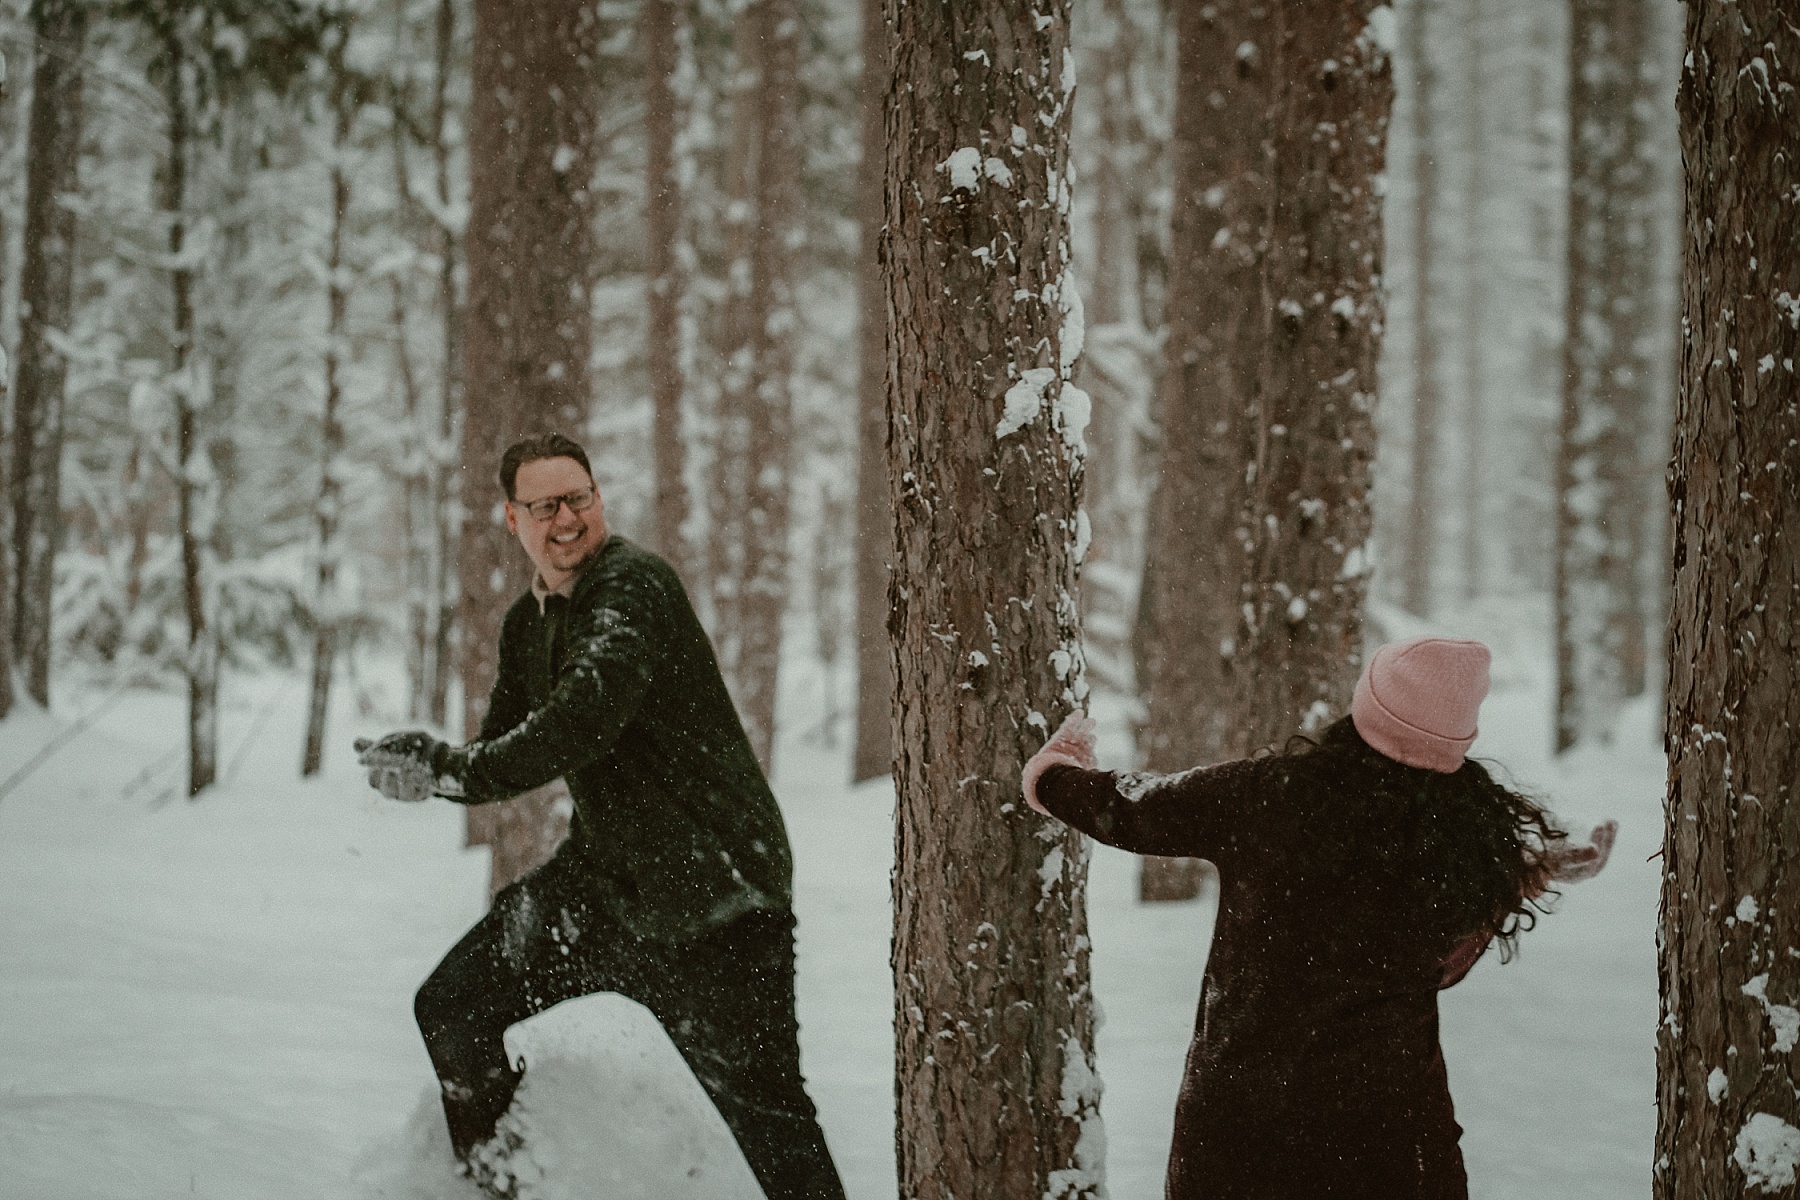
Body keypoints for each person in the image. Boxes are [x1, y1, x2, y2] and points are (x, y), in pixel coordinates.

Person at [356, 433, 845, 1200]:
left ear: (599, 499)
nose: (567, 519)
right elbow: (506, 747)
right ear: (511, 519)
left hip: (716, 898)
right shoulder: (530, 621)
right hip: (609, 888)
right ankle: (496, 1183)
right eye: (544, 505)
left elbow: (583, 718)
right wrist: (437, 764)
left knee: (773, 1128)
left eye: (579, 498)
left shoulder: (633, 587)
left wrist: (456, 772)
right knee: (453, 1007)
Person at [1021, 636, 1617, 1200]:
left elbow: (1133, 809)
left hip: (1245, 1126)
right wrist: (1531, 868)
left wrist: (1052, 776)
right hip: (1389, 1134)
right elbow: (1440, 954)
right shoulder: (1465, 833)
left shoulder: (1271, 794)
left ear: (1367, 708)